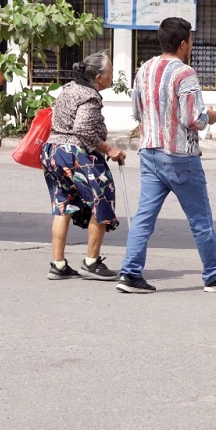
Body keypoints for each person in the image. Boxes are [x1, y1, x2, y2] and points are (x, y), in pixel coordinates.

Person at [117, 17, 216, 294]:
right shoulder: (185, 73)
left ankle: (129, 273)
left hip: (150, 152)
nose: (191, 45)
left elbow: (138, 113)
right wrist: (209, 116)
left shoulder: (144, 69)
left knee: (144, 218)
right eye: (190, 41)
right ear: (183, 43)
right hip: (179, 156)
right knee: (200, 220)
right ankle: (213, 274)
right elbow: (193, 118)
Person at [40, 51, 126, 280]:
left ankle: (58, 264)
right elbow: (83, 129)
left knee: (62, 206)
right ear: (98, 77)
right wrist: (110, 150)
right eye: (110, 73)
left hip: (53, 152)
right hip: (76, 155)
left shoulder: (69, 88)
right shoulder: (89, 96)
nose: (112, 77)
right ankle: (91, 261)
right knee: (103, 199)